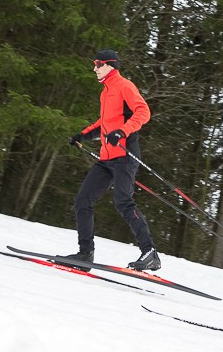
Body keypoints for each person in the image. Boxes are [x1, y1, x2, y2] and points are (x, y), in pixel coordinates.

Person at [64, 49, 160, 271]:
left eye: (98, 64)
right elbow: (104, 123)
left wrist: (123, 132)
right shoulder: (105, 91)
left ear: (110, 65)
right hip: (106, 157)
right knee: (82, 200)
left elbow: (144, 112)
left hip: (125, 156)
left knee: (124, 202)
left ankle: (150, 253)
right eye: (94, 64)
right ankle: (85, 254)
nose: (94, 68)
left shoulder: (124, 85)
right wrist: (83, 135)